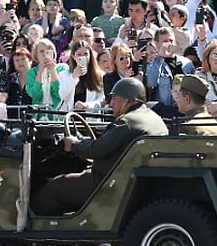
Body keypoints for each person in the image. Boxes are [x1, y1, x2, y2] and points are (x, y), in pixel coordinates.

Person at [32, 78, 167, 215]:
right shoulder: (152, 117)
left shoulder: (127, 122)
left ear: (130, 101)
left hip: (106, 181)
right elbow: (105, 145)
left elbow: (98, 149)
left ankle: (33, 221)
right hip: (125, 177)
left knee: (55, 186)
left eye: (115, 98)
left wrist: (73, 144)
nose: (111, 104)